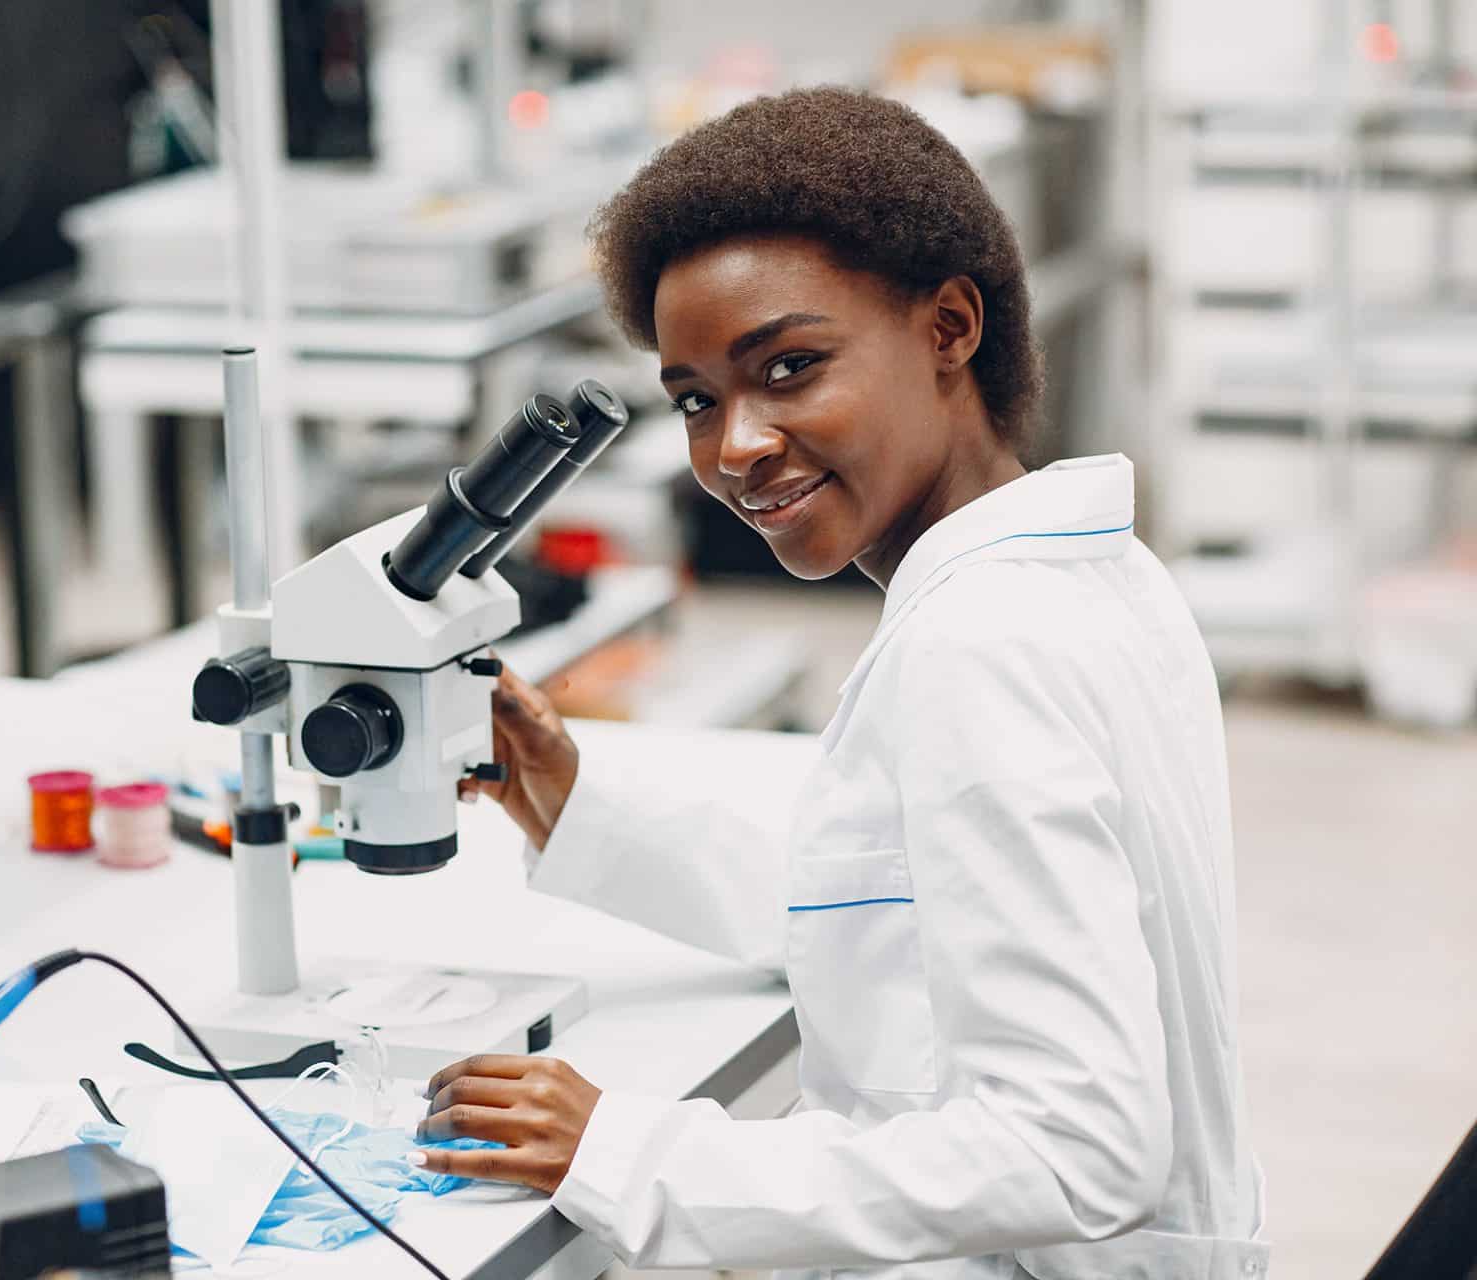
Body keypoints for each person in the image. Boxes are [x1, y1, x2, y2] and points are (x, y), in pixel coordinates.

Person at [410, 88, 1269, 1279]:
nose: (736, 446)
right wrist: (568, 796)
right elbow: (897, 914)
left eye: (791, 366)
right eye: (698, 399)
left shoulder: (981, 649)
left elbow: (1078, 1146)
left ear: (950, 326)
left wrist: (634, 1148)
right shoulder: (1089, 574)